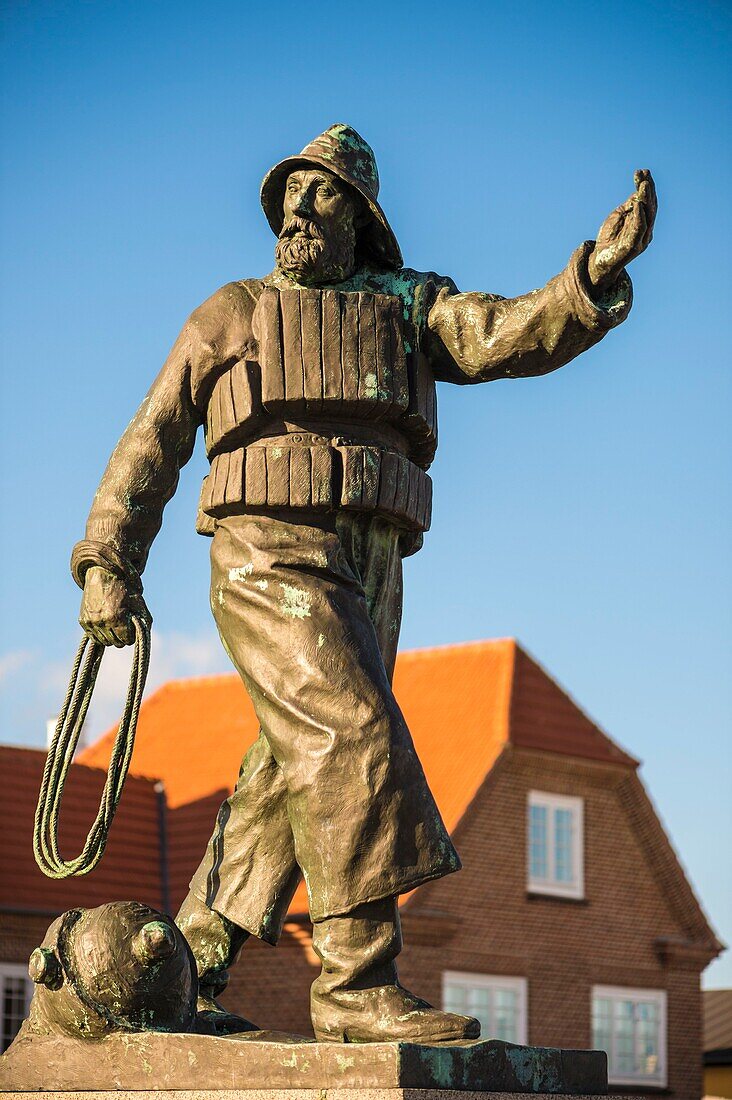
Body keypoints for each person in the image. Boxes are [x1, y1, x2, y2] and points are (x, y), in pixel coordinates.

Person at [73, 124, 656, 1042]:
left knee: (285, 775)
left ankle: (190, 963)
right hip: (266, 544)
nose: (300, 210)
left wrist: (587, 280)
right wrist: (109, 558)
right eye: (290, 196)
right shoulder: (230, 312)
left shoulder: (407, 302)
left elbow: (505, 333)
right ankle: (354, 985)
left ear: (365, 220)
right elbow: (153, 439)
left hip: (373, 554)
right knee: (352, 738)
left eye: (325, 194)